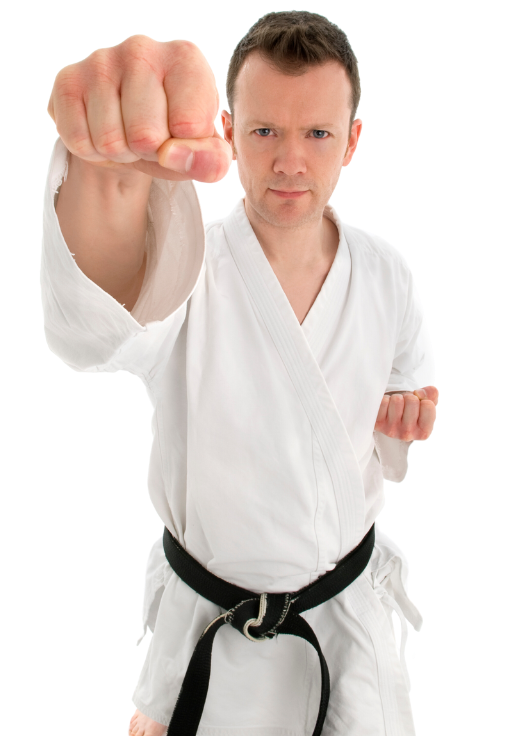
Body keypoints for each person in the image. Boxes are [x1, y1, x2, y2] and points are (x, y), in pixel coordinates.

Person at [42, 11, 438, 736]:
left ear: (351, 141)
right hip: (211, 628)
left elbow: (403, 398)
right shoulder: (188, 260)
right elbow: (103, 324)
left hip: (346, 627)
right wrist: (111, 179)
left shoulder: (386, 270)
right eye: (265, 132)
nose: (290, 160)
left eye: (317, 133)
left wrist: (406, 418)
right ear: (226, 131)